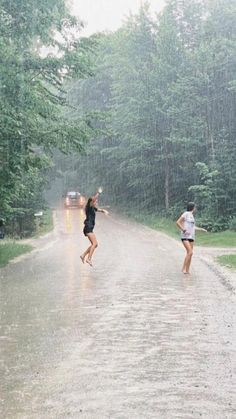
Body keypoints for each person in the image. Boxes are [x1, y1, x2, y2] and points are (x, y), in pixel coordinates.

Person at [176, 202, 207, 274]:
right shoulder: (186, 214)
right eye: (195, 207)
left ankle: (187, 270)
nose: (195, 208)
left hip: (191, 236)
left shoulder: (192, 216)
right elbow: (178, 222)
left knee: (190, 253)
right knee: (190, 252)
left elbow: (193, 227)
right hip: (185, 236)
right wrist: (183, 229)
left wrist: (201, 229)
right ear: (193, 207)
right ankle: (183, 268)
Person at [80, 191, 109, 266]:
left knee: (95, 245)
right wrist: (98, 193)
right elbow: (93, 199)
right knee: (95, 243)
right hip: (88, 227)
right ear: (92, 202)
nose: (97, 202)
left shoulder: (93, 209)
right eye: (96, 201)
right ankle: (89, 259)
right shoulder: (89, 207)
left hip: (89, 228)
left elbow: (100, 210)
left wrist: (104, 211)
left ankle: (83, 255)